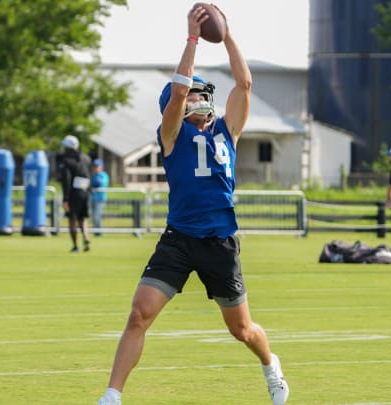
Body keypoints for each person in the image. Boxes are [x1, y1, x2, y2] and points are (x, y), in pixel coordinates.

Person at [98, 5, 289, 405]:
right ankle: (112, 396)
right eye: (196, 94)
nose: (203, 99)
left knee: (242, 329)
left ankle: (270, 364)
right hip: (180, 237)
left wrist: (229, 35)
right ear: (178, 105)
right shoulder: (171, 134)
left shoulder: (227, 131)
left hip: (220, 240)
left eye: (205, 94)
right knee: (139, 314)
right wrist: (192, 38)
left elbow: (245, 84)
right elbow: (181, 90)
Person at [57, 134, 92, 252]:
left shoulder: (66, 161)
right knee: (83, 218)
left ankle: (75, 246)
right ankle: (86, 237)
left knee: (72, 219)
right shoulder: (86, 158)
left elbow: (66, 180)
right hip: (85, 191)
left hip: (73, 194)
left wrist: (65, 198)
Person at [91, 158, 109, 236]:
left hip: (100, 199)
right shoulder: (94, 175)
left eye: (97, 166)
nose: (96, 168)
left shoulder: (103, 175)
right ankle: (96, 231)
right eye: (95, 166)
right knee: (94, 216)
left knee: (98, 216)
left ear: (101, 167)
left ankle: (99, 232)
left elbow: (101, 184)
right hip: (93, 198)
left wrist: (96, 182)